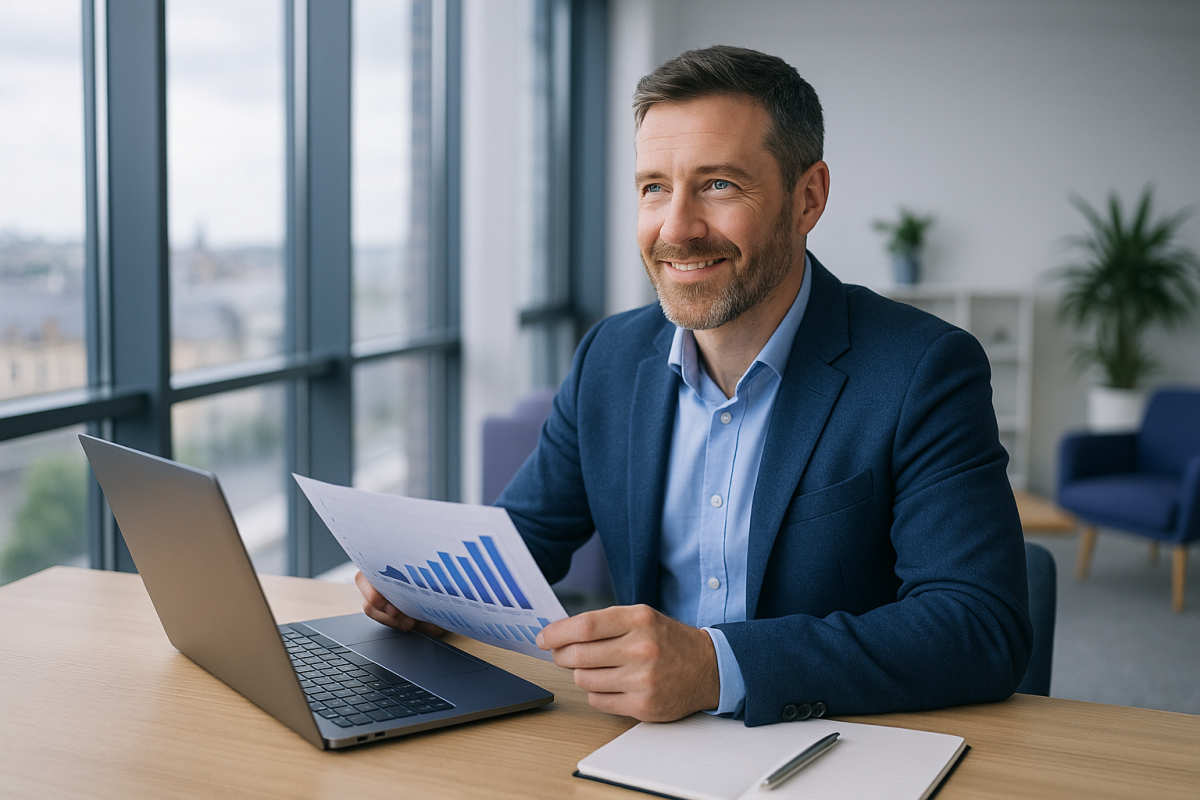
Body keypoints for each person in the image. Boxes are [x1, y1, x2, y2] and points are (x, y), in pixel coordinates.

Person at [357, 45, 1033, 727]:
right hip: (641, 746)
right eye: (654, 187)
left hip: (835, 747)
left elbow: (978, 627)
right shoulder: (610, 357)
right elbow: (528, 534)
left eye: (718, 185)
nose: (675, 229)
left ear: (808, 199)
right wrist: (427, 587)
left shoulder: (923, 369)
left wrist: (715, 668)